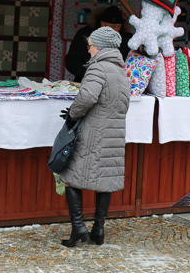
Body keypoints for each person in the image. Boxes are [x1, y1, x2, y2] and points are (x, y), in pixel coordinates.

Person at [58, 26, 131, 247]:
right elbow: (124, 104)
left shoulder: (98, 68)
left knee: (70, 178)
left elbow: (87, 97)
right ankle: (98, 230)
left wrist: (72, 114)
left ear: (99, 46)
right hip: (114, 134)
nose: (88, 51)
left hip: (94, 133)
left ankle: (79, 228)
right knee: (105, 181)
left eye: (89, 46)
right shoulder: (120, 70)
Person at [65, 5, 133, 82]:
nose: (116, 30)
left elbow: (133, 61)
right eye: (113, 26)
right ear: (103, 24)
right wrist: (89, 74)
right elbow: (72, 60)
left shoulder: (128, 39)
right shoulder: (85, 35)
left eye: (119, 26)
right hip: (86, 82)